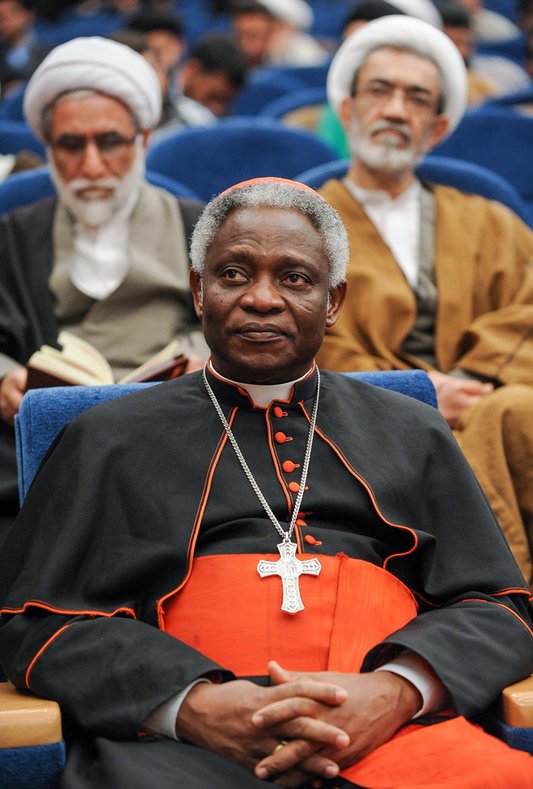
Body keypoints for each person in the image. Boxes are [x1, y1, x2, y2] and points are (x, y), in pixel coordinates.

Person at [0, 177, 531, 789]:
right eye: (233, 274)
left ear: (333, 302)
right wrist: (191, 706)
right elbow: (35, 624)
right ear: (199, 291)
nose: (261, 299)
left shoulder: (413, 430)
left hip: (391, 732)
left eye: (295, 279)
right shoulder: (107, 438)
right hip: (181, 748)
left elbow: (498, 607)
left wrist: (395, 691)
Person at [316, 15, 533, 585]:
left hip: (489, 404)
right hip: (362, 419)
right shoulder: (301, 226)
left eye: (416, 98)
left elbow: (527, 314)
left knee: (511, 413)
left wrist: (468, 381)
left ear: (436, 128)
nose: (395, 109)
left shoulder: (490, 221)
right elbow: (303, 341)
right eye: (380, 91)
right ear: (348, 110)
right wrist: (421, 392)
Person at [0, 35, 208, 530]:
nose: (91, 166)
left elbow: (234, 323)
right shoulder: (14, 235)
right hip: (51, 436)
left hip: (176, 429)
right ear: (49, 149)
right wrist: (5, 379)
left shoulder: (199, 228)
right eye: (71, 145)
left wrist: (204, 359)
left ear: (143, 139)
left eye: (110, 142)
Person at [230, 0, 329, 68]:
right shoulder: (231, 58)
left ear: (278, 29)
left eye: (254, 36)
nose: (244, 44)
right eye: (239, 36)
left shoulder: (306, 57)